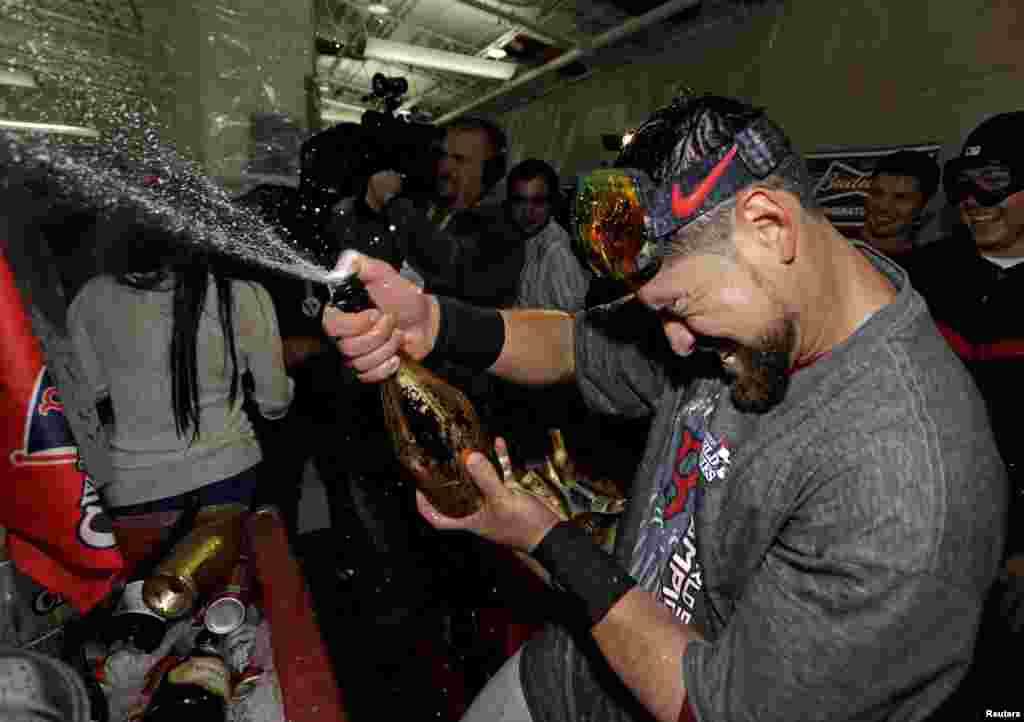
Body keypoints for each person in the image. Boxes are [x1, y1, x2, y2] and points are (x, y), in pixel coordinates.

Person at [323, 94, 1006, 722]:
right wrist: (433, 321)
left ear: (768, 225)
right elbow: (577, 345)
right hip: (572, 670)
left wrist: (544, 539)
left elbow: (713, 708)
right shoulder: (759, 305)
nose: (674, 342)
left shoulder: (907, 482)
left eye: (679, 307)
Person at [66, 211, 293, 516]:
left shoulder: (91, 298)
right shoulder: (242, 295)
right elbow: (274, 402)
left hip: (133, 484)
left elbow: (89, 391)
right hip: (227, 471)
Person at [507, 158, 590, 313]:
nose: (527, 211)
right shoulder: (531, 240)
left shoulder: (556, 252)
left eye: (537, 201)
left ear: (552, 203)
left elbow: (574, 321)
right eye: (519, 201)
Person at [861, 150, 940, 273]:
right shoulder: (830, 247)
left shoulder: (930, 272)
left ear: (924, 207)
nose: (883, 207)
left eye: (901, 198)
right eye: (877, 193)